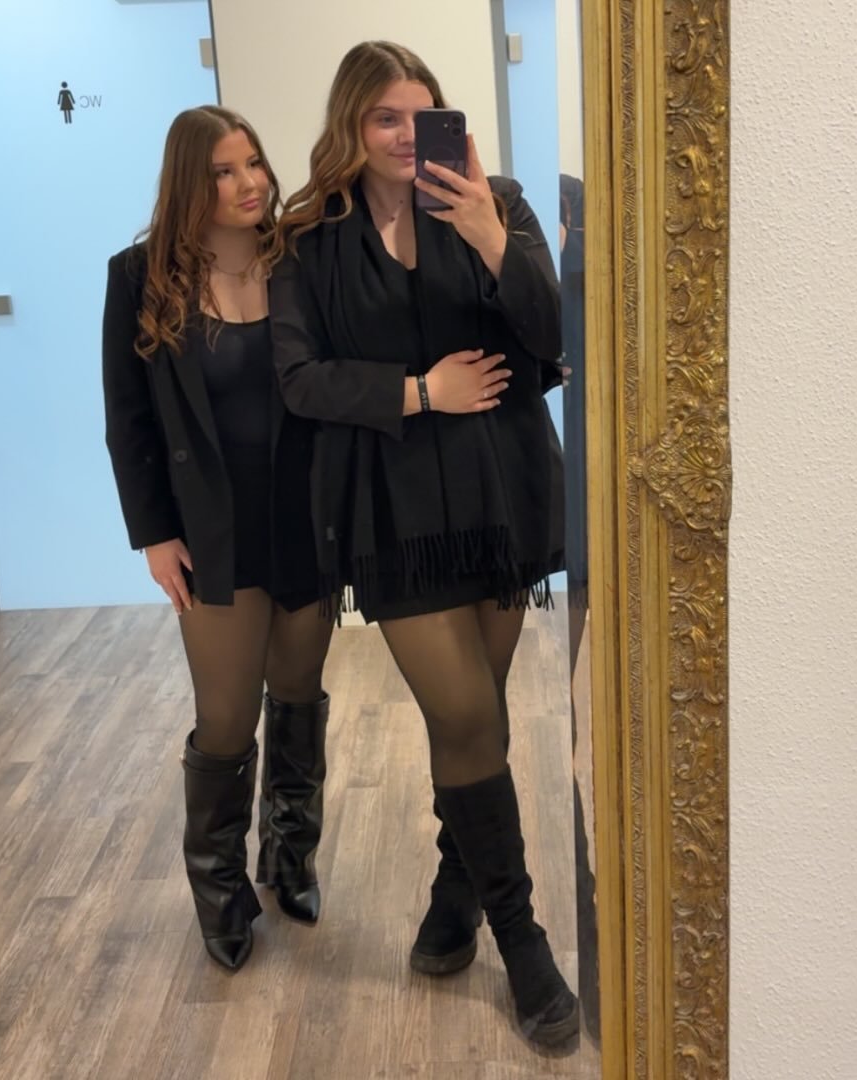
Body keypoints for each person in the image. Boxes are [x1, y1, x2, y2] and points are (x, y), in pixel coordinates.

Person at [269, 42, 577, 1044]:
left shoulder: (501, 204)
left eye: (422, 114)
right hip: (393, 509)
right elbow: (298, 378)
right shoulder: (310, 239)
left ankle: (455, 890)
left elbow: (552, 338)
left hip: (501, 489)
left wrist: (490, 236)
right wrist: (417, 392)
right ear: (351, 128)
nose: (407, 136)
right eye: (384, 118)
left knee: (475, 713)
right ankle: (522, 940)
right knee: (465, 710)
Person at [102, 106, 334, 972]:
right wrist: (154, 535)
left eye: (255, 164)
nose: (250, 184)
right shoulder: (138, 277)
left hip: (305, 516)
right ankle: (219, 887)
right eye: (225, 171)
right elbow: (127, 420)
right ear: (188, 184)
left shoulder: (301, 260)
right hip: (210, 530)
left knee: (298, 692)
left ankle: (290, 857)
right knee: (228, 716)